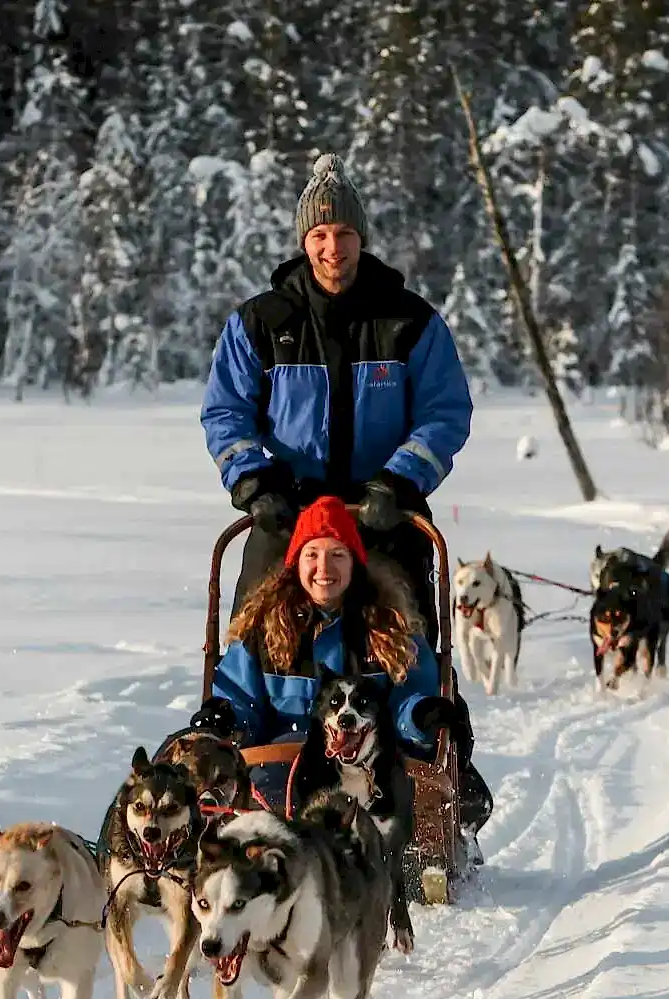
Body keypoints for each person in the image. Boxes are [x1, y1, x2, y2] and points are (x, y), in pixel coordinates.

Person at [200, 153, 490, 829]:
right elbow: (225, 413)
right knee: (258, 632)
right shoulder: (262, 321)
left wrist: (401, 478)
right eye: (320, 235)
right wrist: (253, 478)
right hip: (287, 508)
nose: (333, 247)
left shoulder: (408, 322)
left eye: (346, 234)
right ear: (304, 242)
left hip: (381, 510)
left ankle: (440, 779)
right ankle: (243, 763)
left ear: (363, 239)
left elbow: (445, 413)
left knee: (406, 640)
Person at [188, 498, 453, 801]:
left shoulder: (391, 629)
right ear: (296, 564)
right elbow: (240, 698)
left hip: (367, 767)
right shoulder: (261, 630)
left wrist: (420, 716)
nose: (324, 567)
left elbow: (409, 697)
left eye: (337, 555)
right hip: (279, 771)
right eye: (312, 554)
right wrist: (226, 719)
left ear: (355, 563)